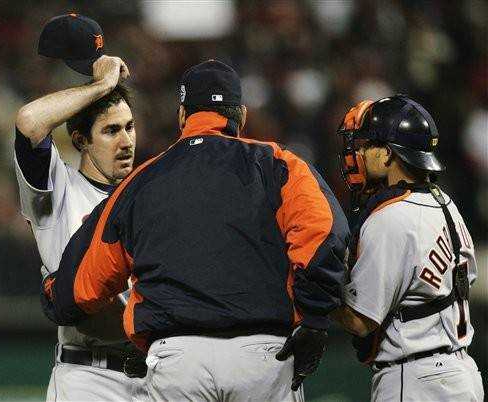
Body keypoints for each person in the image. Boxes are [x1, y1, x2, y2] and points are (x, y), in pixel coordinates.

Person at [40, 59, 350, 401]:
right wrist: (314, 316)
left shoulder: (142, 181)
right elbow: (323, 234)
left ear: (182, 117)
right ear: (242, 116)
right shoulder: (279, 165)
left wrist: (57, 295)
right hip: (263, 355)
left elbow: (84, 281)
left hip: (177, 359)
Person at [15, 14, 146, 402]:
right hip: (88, 377)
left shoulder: (147, 194)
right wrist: (102, 84)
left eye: (130, 127)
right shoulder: (58, 189)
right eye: (111, 130)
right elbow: (29, 121)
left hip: (153, 375)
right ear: (80, 140)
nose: (126, 141)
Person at [331, 95, 484, 401]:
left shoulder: (390, 217)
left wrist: (314, 292)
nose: (358, 152)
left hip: (416, 379)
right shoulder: (444, 202)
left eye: (366, 145)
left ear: (388, 154)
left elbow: (360, 322)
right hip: (462, 375)